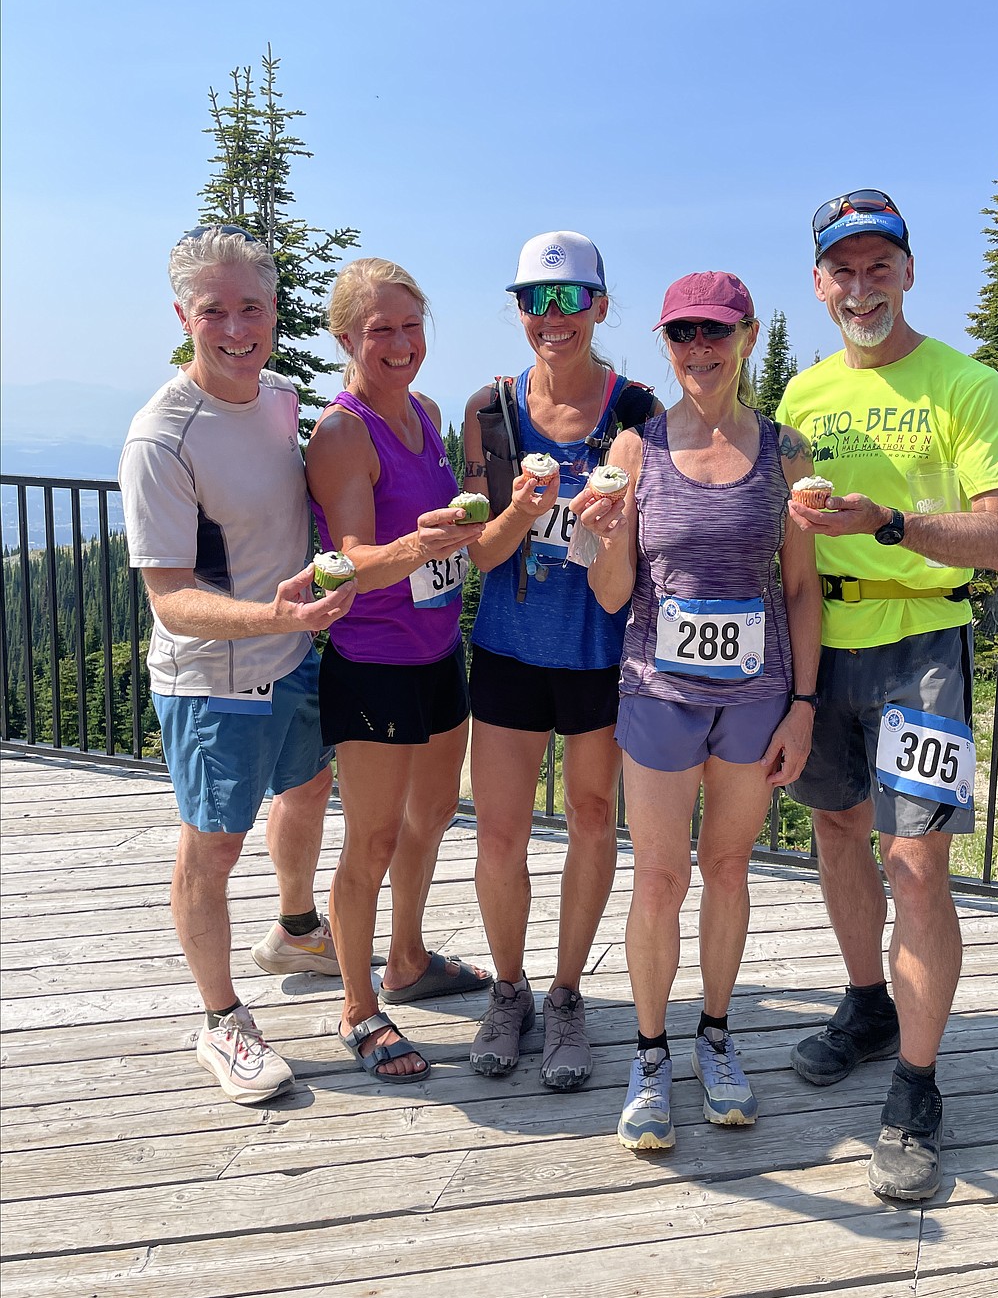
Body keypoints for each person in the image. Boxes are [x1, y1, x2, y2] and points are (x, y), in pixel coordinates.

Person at [778, 189, 998, 1201]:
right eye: (844, 268)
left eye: (881, 266)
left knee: (916, 865)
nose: (862, 285)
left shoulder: (965, 382)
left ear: (911, 273)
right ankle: (869, 1004)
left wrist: (893, 523)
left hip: (924, 642)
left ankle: (918, 1087)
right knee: (837, 834)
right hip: (821, 641)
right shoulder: (799, 397)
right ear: (820, 283)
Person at [575, 271, 821, 1149]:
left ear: (748, 336)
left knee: (726, 870)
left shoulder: (788, 453)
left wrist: (802, 705)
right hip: (659, 694)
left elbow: (800, 588)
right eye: (682, 335)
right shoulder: (636, 449)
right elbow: (611, 595)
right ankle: (650, 1054)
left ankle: (715, 1038)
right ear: (665, 344)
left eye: (715, 333)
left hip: (755, 701)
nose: (699, 350)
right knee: (660, 877)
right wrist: (603, 534)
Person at [119, 224, 357, 1105]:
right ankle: (222, 1020)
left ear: (274, 309)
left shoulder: (281, 398)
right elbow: (172, 597)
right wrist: (274, 613)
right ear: (184, 315)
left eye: (250, 306)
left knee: (308, 788)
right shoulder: (160, 438)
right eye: (213, 309)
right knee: (211, 846)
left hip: (291, 654)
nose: (234, 327)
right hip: (212, 679)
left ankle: (297, 929)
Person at [460, 231, 660, 1089]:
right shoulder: (490, 408)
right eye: (536, 301)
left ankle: (568, 993)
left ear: (600, 307)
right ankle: (510, 990)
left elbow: (645, 549)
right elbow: (479, 552)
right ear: (517, 311)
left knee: (589, 820)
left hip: (599, 654)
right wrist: (520, 510)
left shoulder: (638, 411)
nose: (553, 318)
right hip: (507, 649)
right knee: (499, 833)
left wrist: (605, 525)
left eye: (570, 299)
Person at [306, 258, 490, 1083]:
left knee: (433, 816)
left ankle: (407, 957)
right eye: (381, 328)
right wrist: (425, 542)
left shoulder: (427, 410)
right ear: (347, 337)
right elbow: (349, 563)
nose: (402, 342)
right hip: (373, 663)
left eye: (412, 324)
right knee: (372, 840)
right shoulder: (342, 432)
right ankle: (356, 1005)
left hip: (437, 655)